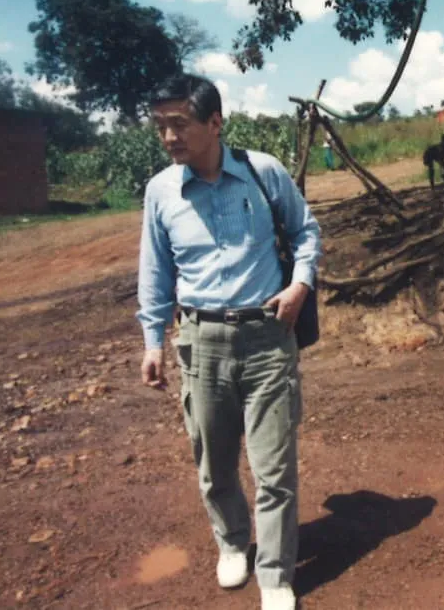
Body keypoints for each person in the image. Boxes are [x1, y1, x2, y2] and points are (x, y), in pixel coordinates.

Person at [137, 74, 320, 610]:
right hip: (200, 343)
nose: (169, 137)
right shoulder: (160, 192)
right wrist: (153, 341)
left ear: (215, 122)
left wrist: (300, 285)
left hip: (267, 337)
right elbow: (155, 272)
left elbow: (305, 232)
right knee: (214, 464)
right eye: (160, 126)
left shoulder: (264, 172)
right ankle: (233, 542)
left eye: (179, 124)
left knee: (274, 467)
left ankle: (275, 575)